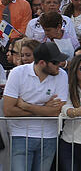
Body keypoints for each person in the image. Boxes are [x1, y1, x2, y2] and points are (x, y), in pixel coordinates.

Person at [2, 42, 69, 171]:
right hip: (20, 135)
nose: (59, 66)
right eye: (55, 62)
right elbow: (8, 110)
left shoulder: (61, 75)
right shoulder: (17, 73)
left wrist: (26, 106)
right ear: (42, 63)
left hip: (49, 136)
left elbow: (58, 111)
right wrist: (44, 108)